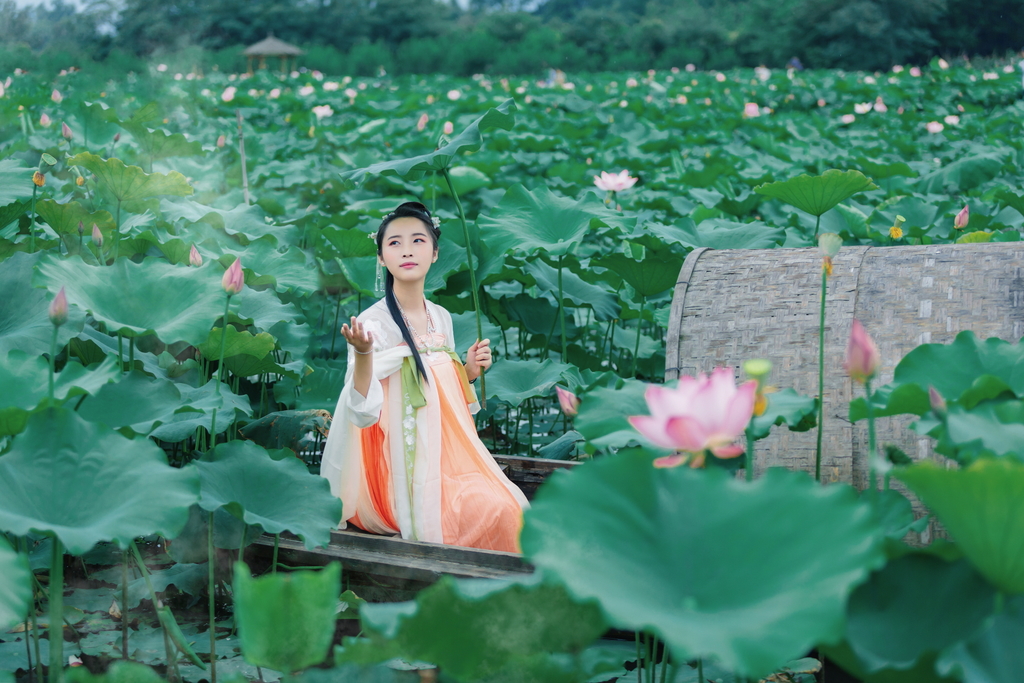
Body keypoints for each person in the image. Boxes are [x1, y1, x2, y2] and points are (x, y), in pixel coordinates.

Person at [319, 202, 529, 552]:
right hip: (399, 473)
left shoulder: (441, 317)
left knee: (514, 507)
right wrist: (363, 354)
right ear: (382, 258)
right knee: (498, 512)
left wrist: (469, 372)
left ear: (434, 253)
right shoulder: (373, 324)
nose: (407, 251)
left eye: (418, 241)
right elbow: (362, 411)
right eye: (395, 243)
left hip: (447, 461)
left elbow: (440, 400)